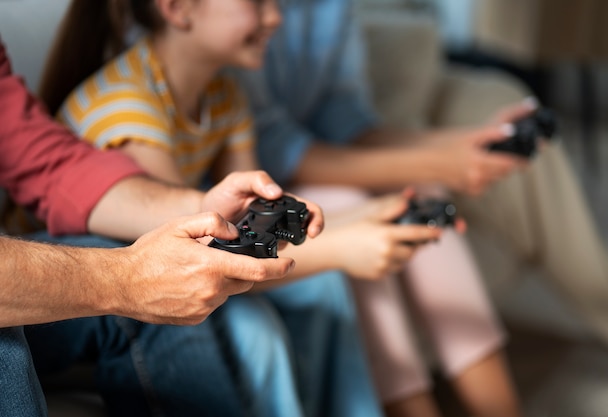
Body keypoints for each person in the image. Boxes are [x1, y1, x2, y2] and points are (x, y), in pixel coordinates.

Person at [19, 1, 387, 416]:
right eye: (257, 3)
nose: (276, 17)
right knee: (255, 330)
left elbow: (251, 219)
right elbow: (193, 257)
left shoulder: (225, 95)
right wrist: (344, 248)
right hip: (112, 268)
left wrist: (369, 218)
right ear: (178, 9)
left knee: (323, 287)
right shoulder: (128, 109)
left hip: (178, 248)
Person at [231, 1, 532, 417]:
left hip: (304, 166)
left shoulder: (331, 10)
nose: (275, 18)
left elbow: (349, 122)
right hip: (271, 182)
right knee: (348, 206)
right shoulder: (233, 29)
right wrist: (438, 163)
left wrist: (460, 146)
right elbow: (274, 149)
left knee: (418, 193)